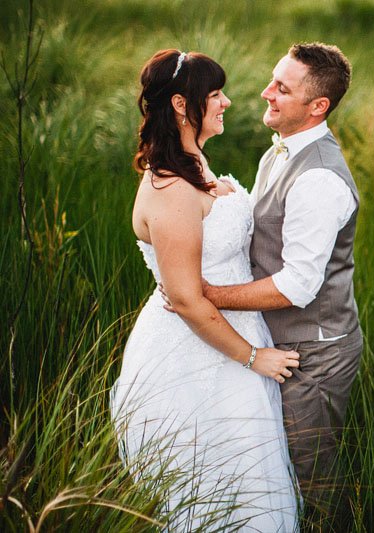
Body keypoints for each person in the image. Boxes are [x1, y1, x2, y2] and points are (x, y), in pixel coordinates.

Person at [110, 49, 300, 531]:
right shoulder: (170, 188)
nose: (227, 102)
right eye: (215, 95)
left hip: (230, 340)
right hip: (198, 358)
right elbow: (189, 301)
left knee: (250, 488)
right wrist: (255, 357)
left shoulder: (193, 166)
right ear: (180, 104)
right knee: (211, 493)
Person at [201, 42, 362, 531]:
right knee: (276, 474)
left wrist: (209, 295)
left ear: (319, 107)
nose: (266, 92)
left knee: (310, 481)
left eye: (282, 89)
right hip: (279, 344)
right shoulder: (283, 151)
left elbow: (296, 286)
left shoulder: (318, 179)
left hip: (313, 355)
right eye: (273, 79)